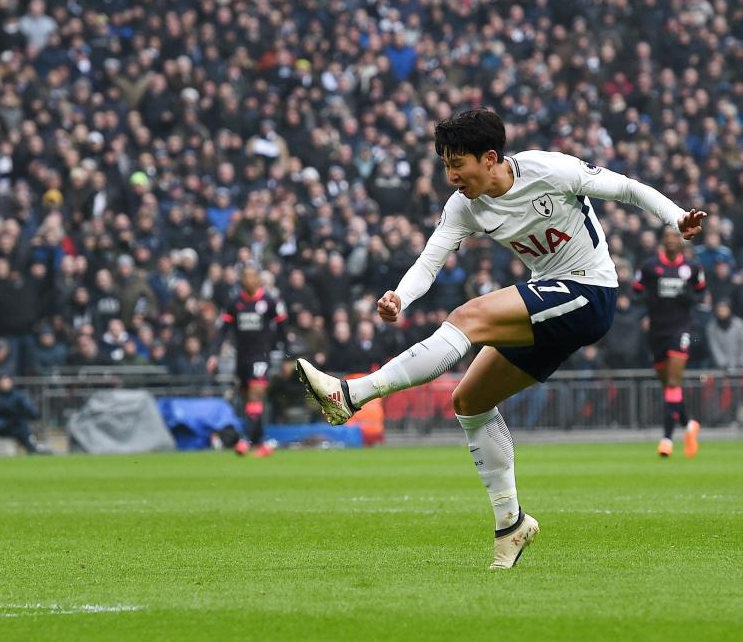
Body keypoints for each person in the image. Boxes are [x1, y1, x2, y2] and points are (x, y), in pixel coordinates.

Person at [296, 108, 706, 570]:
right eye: (445, 165)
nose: (451, 176)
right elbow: (431, 260)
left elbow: (627, 188)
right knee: (469, 400)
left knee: (468, 316)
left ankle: (352, 393)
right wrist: (400, 298)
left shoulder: (550, 170)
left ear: (490, 158)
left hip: (589, 291)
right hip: (549, 299)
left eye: (458, 164)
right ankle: (511, 524)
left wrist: (676, 218)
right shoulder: (463, 205)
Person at [632, 227, 706, 458]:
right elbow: (635, 293)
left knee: (674, 382)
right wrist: (650, 298)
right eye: (666, 238)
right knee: (669, 389)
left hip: (681, 330)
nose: (670, 241)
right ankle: (690, 424)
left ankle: (666, 439)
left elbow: (701, 294)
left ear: (681, 241)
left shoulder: (692, 268)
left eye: (674, 237)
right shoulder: (649, 267)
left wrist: (688, 297)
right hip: (657, 332)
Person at [212, 264, 287, 457]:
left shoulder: (269, 302)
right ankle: (261, 443)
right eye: (245, 277)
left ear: (258, 279)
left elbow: (282, 328)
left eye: (252, 277)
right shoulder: (234, 303)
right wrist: (214, 354)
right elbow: (223, 330)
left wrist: (288, 354)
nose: (249, 280)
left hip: (261, 356)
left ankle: (244, 440)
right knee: (250, 403)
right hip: (242, 359)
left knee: (256, 395)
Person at [0, 374, 49, 454]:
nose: (6, 384)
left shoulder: (18, 397)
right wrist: (3, 424)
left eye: (7, 381)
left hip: (18, 428)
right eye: (3, 382)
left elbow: (30, 411)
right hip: (3, 431)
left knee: (22, 426)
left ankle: (31, 447)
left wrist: (32, 412)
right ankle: (32, 447)